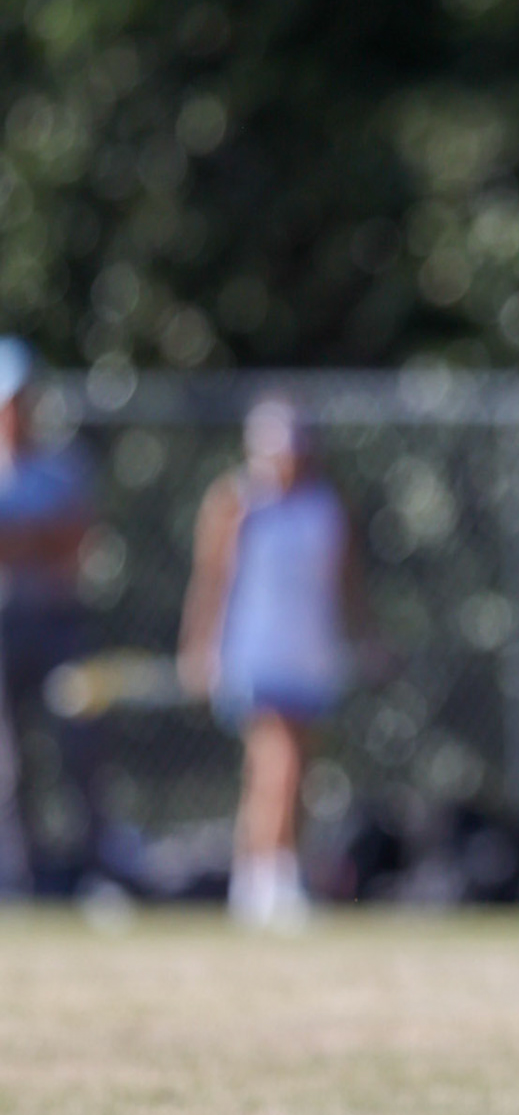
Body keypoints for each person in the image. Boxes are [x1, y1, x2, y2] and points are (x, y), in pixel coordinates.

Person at [178, 397, 357, 929]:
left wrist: (362, 638)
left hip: (310, 651)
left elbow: (347, 584)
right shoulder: (236, 502)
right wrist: (200, 645)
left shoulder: (326, 507)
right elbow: (212, 581)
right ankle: (271, 878)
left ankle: (258, 874)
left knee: (293, 768)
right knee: (277, 762)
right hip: (255, 652)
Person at [0, 338, 102, 890]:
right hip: (4, 625)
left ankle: (92, 869)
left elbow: (76, 540)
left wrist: (20, 539)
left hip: (60, 619)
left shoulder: (65, 467)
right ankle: (19, 877)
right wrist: (39, 536)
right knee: (10, 762)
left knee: (80, 746)